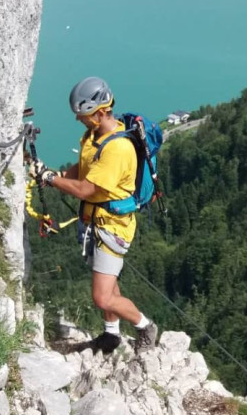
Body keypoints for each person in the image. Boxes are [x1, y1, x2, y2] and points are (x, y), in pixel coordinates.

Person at [29, 76, 158, 355]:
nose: (79, 121)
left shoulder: (117, 149)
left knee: (101, 297)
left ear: (100, 113)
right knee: (109, 288)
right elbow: (85, 166)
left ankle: (145, 327)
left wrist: (51, 179)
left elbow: (87, 189)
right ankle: (111, 335)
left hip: (112, 228)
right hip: (96, 223)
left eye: (84, 116)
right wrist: (60, 175)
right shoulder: (94, 136)